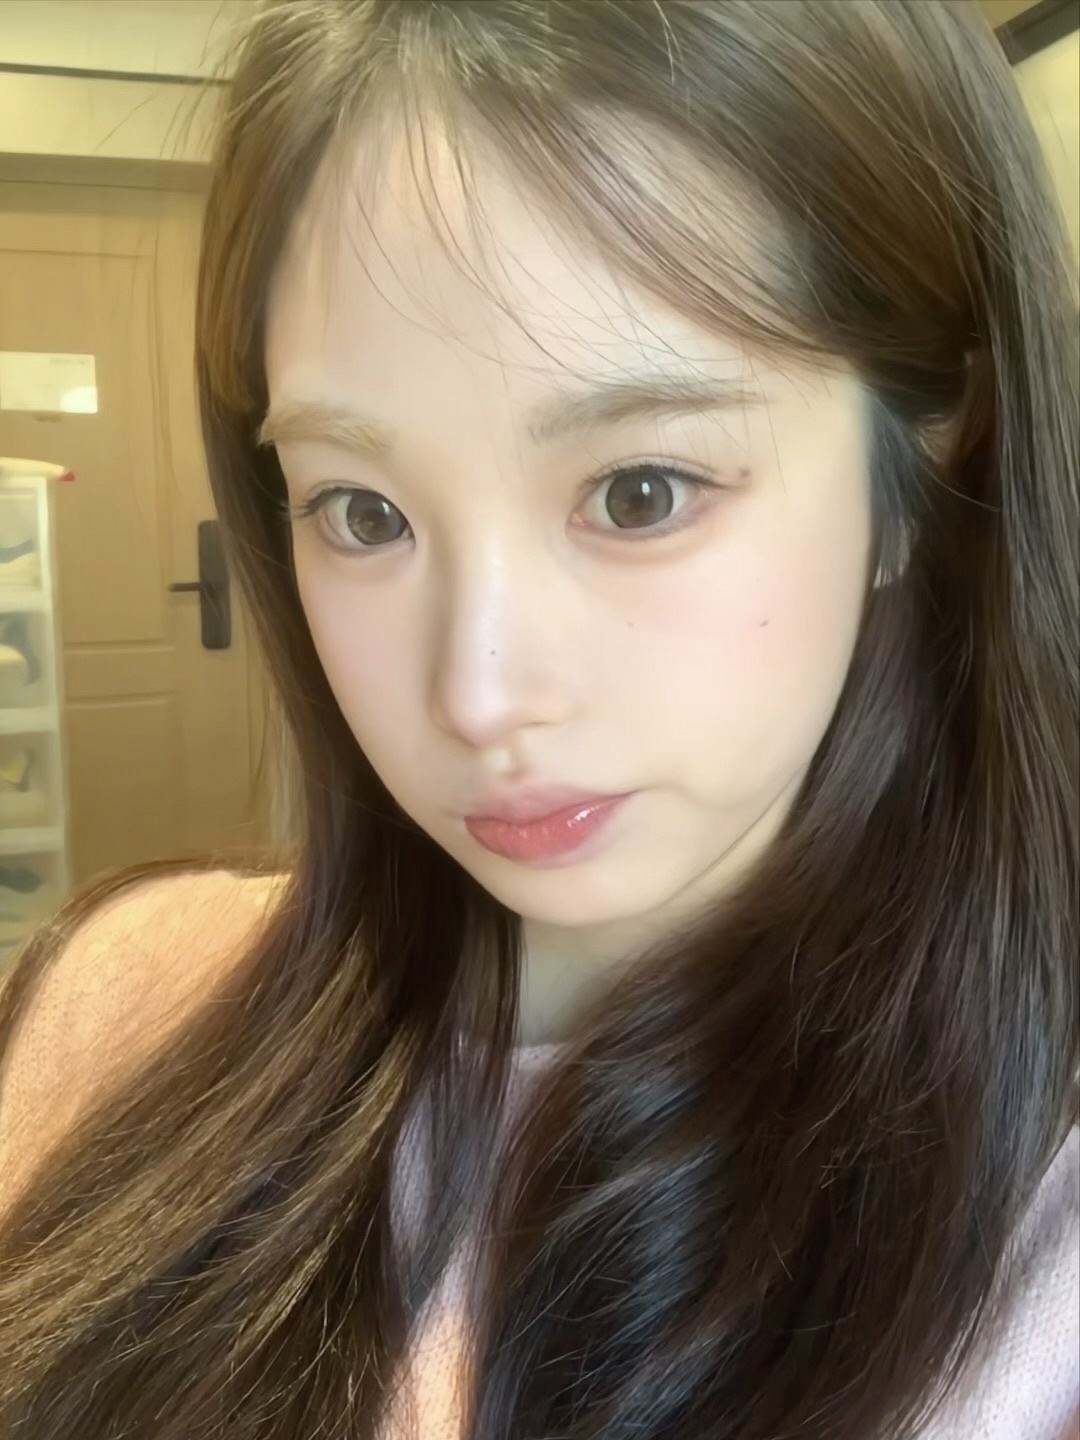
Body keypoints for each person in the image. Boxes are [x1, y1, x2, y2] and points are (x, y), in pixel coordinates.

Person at [0, 2, 1077, 1436]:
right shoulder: (121, 1005)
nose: (477, 693)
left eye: (641, 492)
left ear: (924, 473)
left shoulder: (1040, 1229)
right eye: (362, 512)